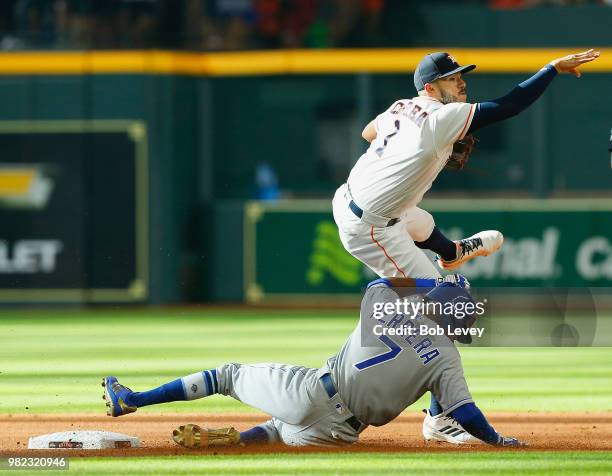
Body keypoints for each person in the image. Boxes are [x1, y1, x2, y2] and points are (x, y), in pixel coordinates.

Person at [332, 48, 600, 441]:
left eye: (461, 74)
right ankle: (440, 418)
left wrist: (406, 150)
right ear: (430, 87)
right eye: (452, 77)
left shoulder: (401, 106)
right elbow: (510, 104)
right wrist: (550, 69)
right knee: (452, 309)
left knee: (419, 220)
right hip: (373, 229)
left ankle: (451, 253)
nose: (461, 81)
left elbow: (368, 133)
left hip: (353, 201)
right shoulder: (443, 117)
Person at [102, 275, 524, 448]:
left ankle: (133, 398)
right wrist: (497, 442)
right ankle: (232, 442)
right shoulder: (448, 358)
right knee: (276, 431)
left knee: (227, 376)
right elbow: (465, 412)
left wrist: (430, 280)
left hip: (312, 392)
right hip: (339, 434)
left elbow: (378, 282)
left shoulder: (386, 306)